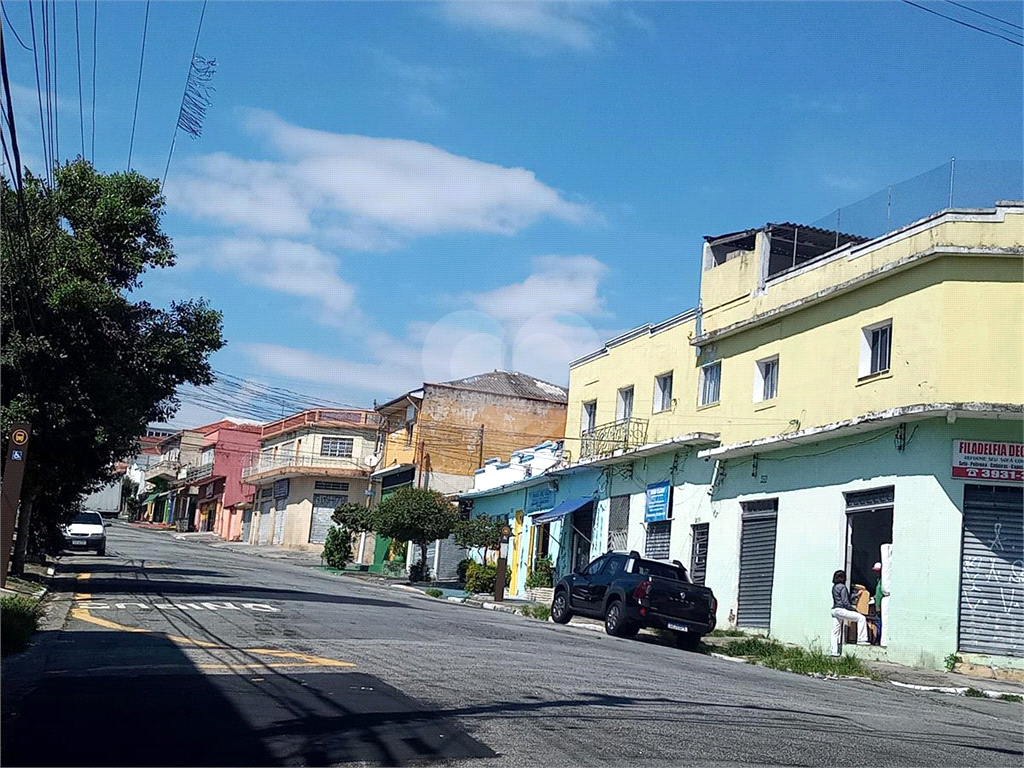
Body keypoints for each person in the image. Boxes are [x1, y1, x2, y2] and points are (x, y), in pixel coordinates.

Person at [831, 569, 868, 656]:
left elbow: (843, 598)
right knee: (861, 618)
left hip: (834, 610)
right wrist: (854, 610)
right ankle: (862, 639)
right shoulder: (843, 587)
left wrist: (856, 595)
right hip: (841, 609)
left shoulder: (834, 587)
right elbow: (845, 602)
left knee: (835, 631)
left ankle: (834, 651)